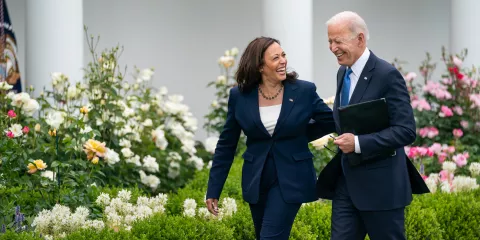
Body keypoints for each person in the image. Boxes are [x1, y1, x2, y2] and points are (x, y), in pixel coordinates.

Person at [205, 36, 335, 239]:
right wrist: (213, 189)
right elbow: (226, 145)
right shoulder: (239, 96)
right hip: (256, 179)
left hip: (291, 178)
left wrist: (299, 135)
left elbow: (331, 121)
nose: (283, 61)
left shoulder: (304, 91)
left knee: (270, 237)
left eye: (283, 55)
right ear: (259, 66)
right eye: (275, 58)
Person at [315, 11, 429, 240]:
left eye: (338, 41)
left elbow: (405, 130)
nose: (332, 47)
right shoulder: (342, 73)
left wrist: (357, 143)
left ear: (360, 39)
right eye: (329, 41)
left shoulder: (387, 75)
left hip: (382, 189)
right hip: (346, 186)